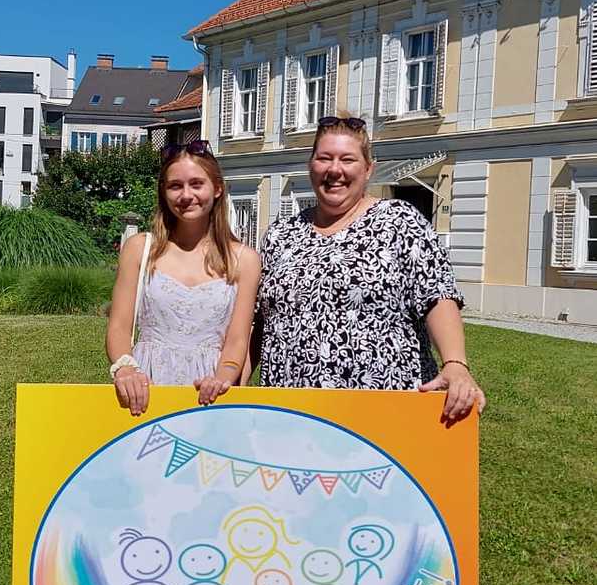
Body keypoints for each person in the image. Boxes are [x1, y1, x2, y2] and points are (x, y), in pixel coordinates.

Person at [256, 115, 485, 425]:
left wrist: (455, 364)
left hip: (382, 415)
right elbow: (259, 322)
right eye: (324, 158)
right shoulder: (281, 234)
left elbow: (437, 294)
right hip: (293, 414)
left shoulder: (400, 221)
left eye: (347, 159)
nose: (334, 169)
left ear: (368, 169)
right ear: (311, 166)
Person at [106, 141, 260, 415]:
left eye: (196, 184)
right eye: (175, 186)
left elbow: (238, 340)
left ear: (217, 188)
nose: (186, 195)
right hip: (147, 386)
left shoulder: (244, 260)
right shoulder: (140, 249)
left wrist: (223, 378)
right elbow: (119, 326)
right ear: (163, 192)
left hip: (210, 391)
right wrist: (125, 368)